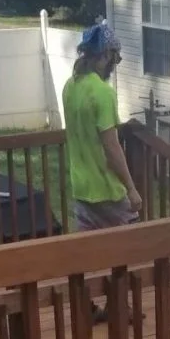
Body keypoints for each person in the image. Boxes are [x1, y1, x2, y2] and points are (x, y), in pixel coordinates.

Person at [62, 21, 143, 238]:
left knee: (91, 251)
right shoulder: (102, 93)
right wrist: (131, 189)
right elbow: (111, 147)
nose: (114, 65)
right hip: (108, 191)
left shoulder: (70, 87)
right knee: (135, 245)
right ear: (106, 55)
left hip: (81, 189)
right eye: (116, 59)